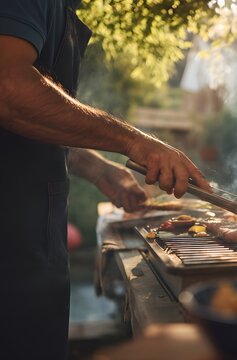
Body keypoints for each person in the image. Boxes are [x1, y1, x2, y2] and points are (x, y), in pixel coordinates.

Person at [0, 1, 211, 358]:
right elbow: (8, 87)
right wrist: (134, 140)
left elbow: (33, 122)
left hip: (30, 253)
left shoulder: (60, 10)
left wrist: (99, 169)